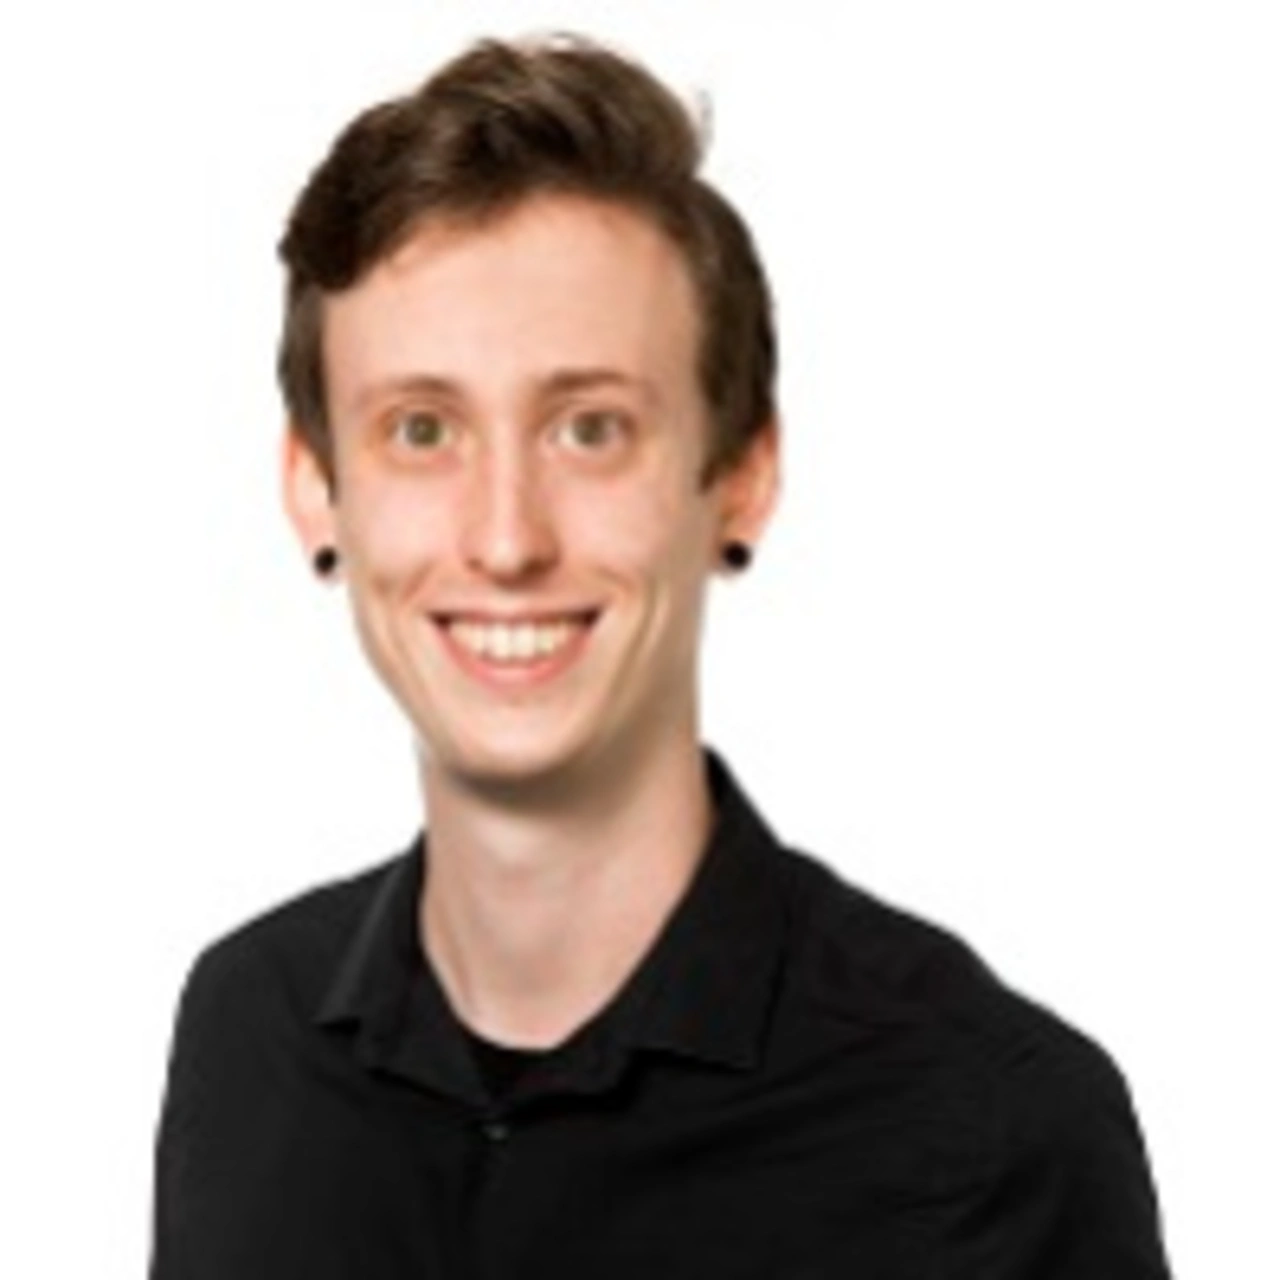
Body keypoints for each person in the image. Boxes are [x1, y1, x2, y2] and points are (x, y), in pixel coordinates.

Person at [147, 32, 1173, 1279]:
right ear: (316, 489)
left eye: (589, 428)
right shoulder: (243, 1033)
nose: (505, 538)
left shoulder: (988, 1130)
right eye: (421, 429)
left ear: (740, 474)